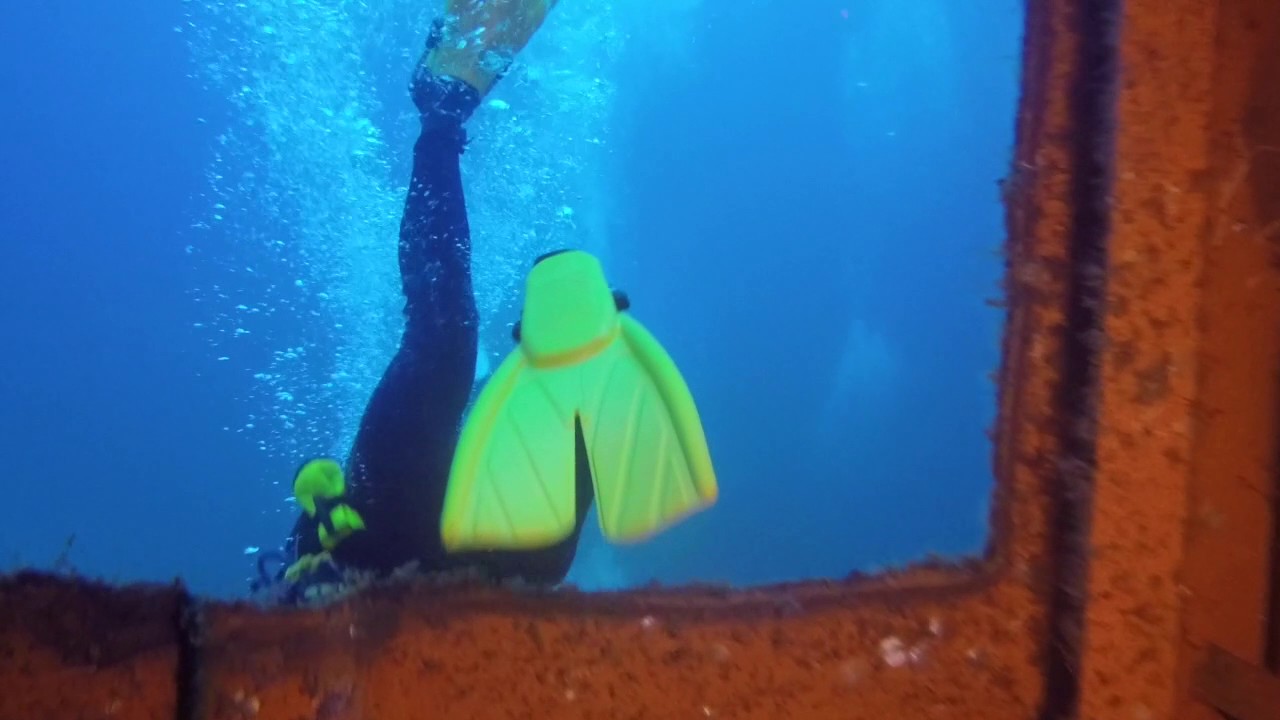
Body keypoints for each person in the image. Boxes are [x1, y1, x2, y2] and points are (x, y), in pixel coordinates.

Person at [254, 0, 718, 604]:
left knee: (456, 350)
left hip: (402, 523)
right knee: (449, 344)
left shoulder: (539, 546)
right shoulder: (541, 557)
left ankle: (442, 111)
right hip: (386, 528)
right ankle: (441, 113)